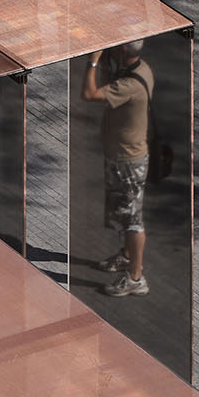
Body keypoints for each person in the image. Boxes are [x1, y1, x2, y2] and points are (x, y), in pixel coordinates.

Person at [82, 39, 154, 299]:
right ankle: (126, 256)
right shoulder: (139, 70)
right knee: (126, 213)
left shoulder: (130, 84)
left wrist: (93, 60)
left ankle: (136, 278)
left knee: (133, 221)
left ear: (122, 50)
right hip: (123, 157)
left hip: (128, 161)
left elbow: (89, 93)